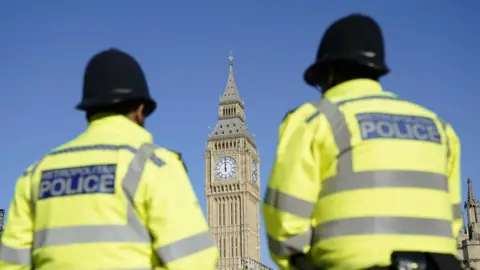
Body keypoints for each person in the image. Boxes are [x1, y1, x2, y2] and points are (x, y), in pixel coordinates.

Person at [263, 14, 463, 270]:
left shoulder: (314, 120)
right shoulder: (440, 127)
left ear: (330, 73)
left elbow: (284, 223)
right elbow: (453, 221)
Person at [0, 48, 219, 270]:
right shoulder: (154, 165)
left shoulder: (36, 173)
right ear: (140, 110)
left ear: (89, 109)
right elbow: (195, 261)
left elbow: (9, 264)